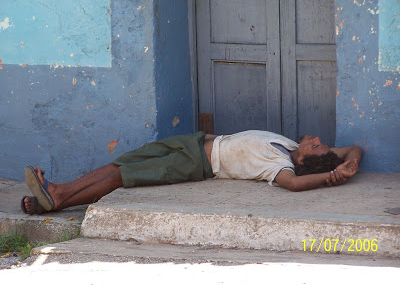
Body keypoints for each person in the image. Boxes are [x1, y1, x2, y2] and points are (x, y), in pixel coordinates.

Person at [21, 130, 363, 214]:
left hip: (194, 163)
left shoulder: (282, 166)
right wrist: (352, 162)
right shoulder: (287, 144)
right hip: (193, 142)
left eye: (316, 146)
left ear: (305, 161)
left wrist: (331, 177)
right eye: (319, 142)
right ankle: (59, 191)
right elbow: (350, 150)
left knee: (120, 177)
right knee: (118, 164)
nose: (316, 139)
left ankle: (59, 198)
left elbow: (293, 185)